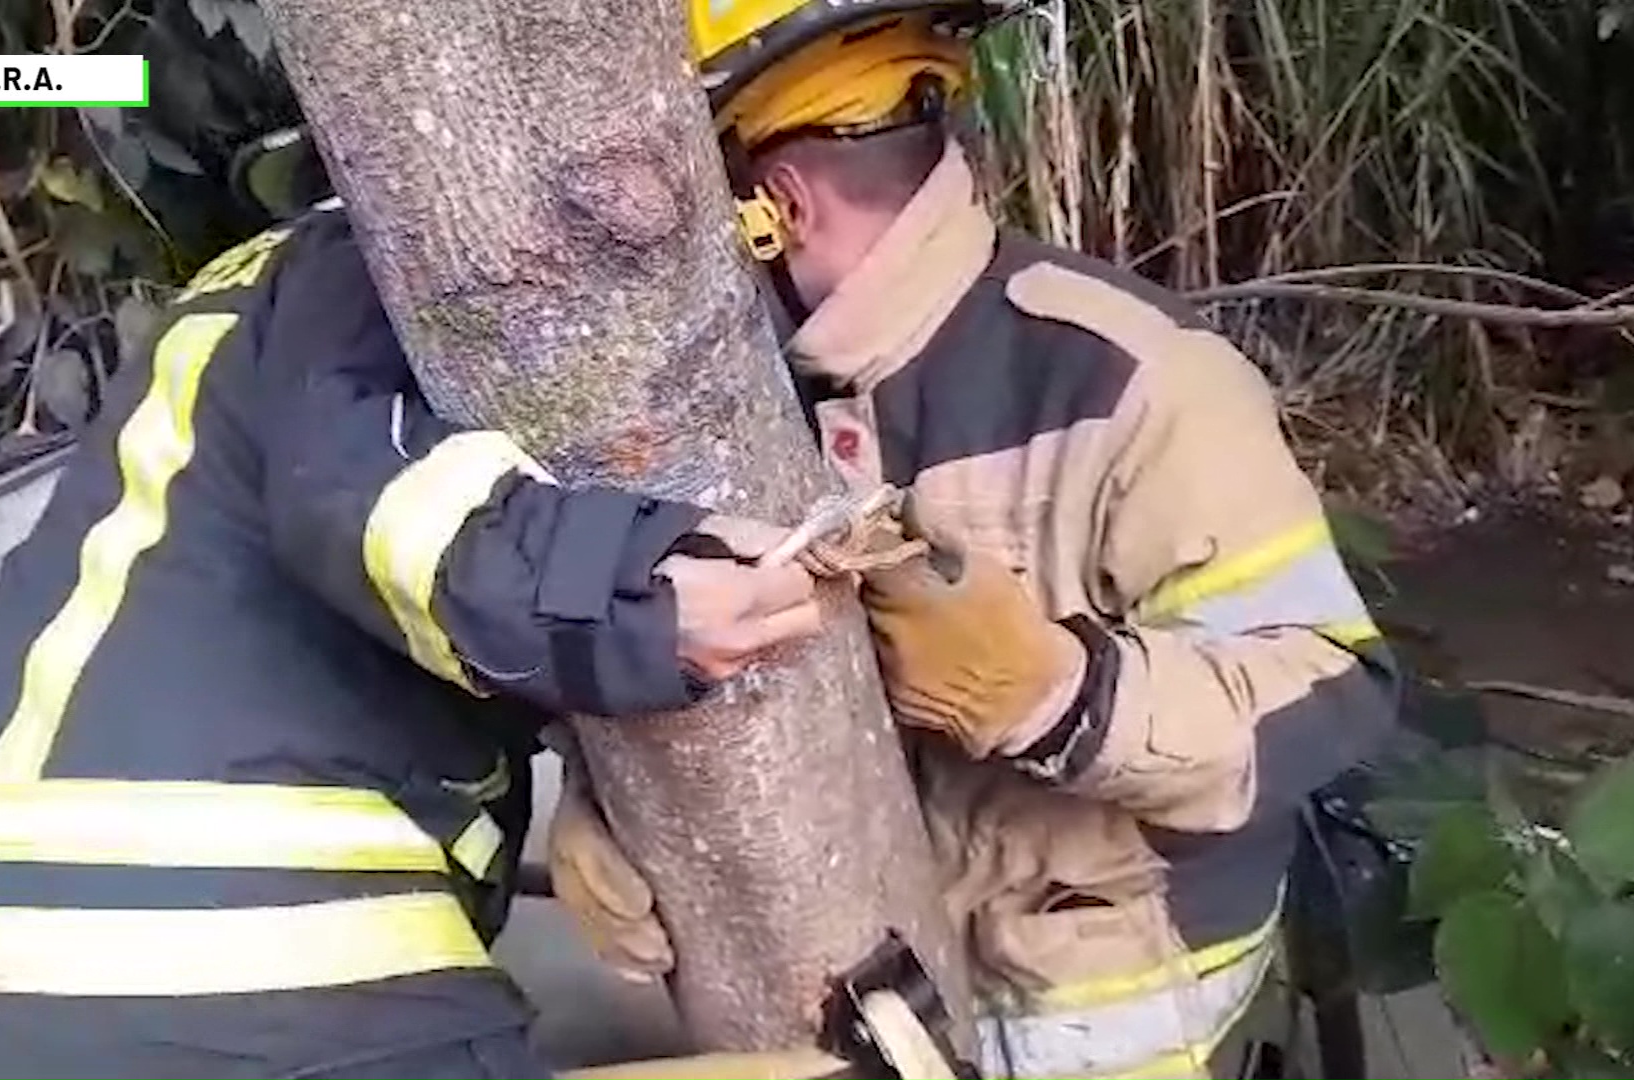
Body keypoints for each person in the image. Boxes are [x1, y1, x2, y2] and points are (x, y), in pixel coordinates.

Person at [546, 3, 1402, 1078]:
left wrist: (1060, 695)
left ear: (777, 203)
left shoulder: (1132, 377)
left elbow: (1333, 694)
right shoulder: (733, 403)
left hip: (1110, 1027)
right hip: (875, 1012)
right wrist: (607, 807)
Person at [0, 199, 827, 1080]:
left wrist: (580, 755)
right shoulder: (377, 261)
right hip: (210, 946)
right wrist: (634, 601)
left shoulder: (251, 304)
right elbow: (360, 502)